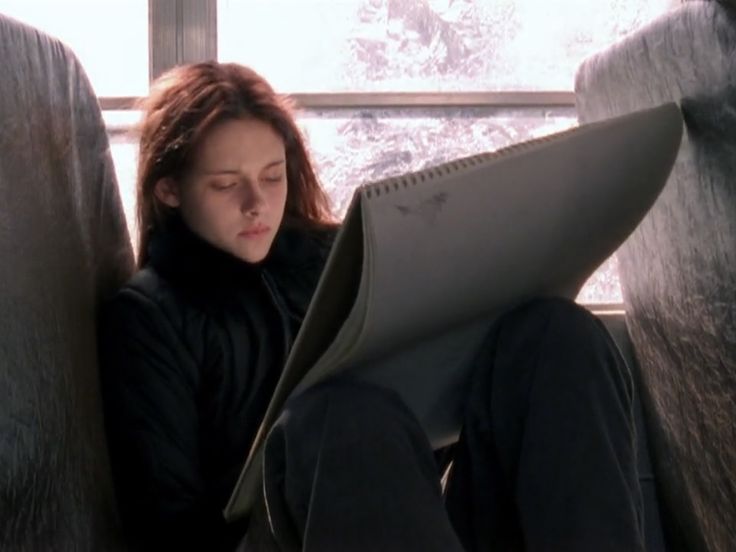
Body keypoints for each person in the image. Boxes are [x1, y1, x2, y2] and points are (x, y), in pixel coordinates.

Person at [98, 61, 645, 552]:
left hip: (409, 516)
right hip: (275, 534)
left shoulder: (341, 258)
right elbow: (167, 527)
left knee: (557, 337)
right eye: (225, 185)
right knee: (340, 417)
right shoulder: (148, 316)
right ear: (169, 190)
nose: (256, 204)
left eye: (272, 176)